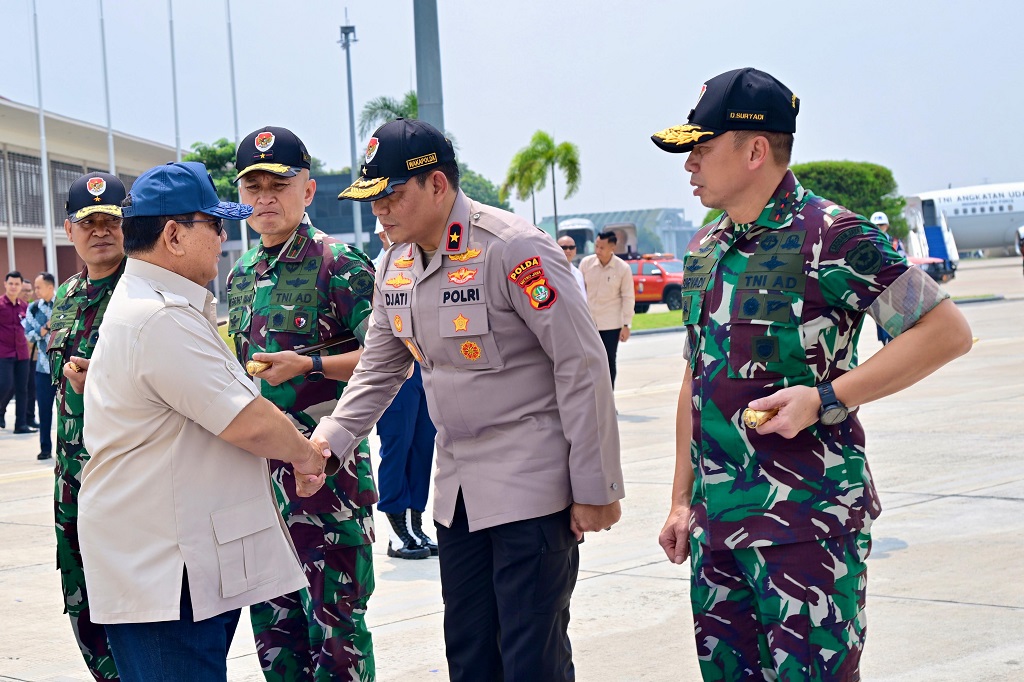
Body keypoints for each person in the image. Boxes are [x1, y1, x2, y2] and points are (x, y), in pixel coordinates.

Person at [652, 67, 973, 681]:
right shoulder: (706, 249)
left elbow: (944, 331)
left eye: (703, 145)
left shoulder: (832, 235)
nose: (689, 162)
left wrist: (828, 398)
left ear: (753, 150)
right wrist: (679, 501)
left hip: (808, 524)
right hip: (718, 533)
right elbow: (695, 380)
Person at [314, 117, 624, 680]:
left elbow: (580, 365)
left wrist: (595, 485)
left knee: (532, 658)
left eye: (392, 195)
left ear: (437, 185)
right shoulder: (395, 265)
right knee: (470, 652)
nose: (379, 210)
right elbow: (381, 366)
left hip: (532, 489)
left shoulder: (513, 250)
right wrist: (330, 440)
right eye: (372, 198)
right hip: (456, 495)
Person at [79, 161, 328, 682]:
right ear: (173, 234)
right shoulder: (159, 315)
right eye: (214, 225)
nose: (223, 236)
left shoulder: (155, 305)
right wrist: (307, 455)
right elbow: (248, 420)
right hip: (165, 578)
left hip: (171, 565)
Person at [226, 126, 378, 680]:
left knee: (336, 638)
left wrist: (310, 365)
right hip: (261, 489)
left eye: (278, 184)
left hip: (328, 483)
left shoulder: (340, 263)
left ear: (308, 191)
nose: (265, 197)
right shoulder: (240, 274)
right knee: (275, 640)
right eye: (253, 186)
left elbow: (388, 357)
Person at [46, 171, 126, 680]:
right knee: (80, 595)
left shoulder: (142, 290)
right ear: (69, 230)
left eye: (110, 221)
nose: (100, 231)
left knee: (127, 598)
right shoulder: (67, 295)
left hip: (122, 478)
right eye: (88, 222)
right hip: (71, 478)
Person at [372, 218, 437, 560]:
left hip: (425, 369)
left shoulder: (426, 263)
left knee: (422, 446)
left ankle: (416, 525)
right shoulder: (377, 269)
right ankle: (398, 533)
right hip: (395, 371)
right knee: (396, 448)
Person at [579, 231, 634, 387]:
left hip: (610, 325)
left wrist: (626, 325)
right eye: (596, 246)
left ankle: (608, 401)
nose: (598, 251)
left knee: (609, 361)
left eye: (602, 247)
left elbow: (628, 297)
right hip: (588, 324)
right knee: (588, 362)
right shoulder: (586, 264)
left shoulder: (623, 268)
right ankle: (593, 401)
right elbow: (578, 292)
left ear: (613, 247)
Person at [22, 272, 56, 460]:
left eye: (38, 287)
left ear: (50, 287)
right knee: (43, 411)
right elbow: (29, 335)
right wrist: (46, 327)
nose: (35, 291)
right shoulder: (34, 308)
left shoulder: (64, 303)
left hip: (65, 367)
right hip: (42, 368)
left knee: (70, 412)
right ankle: (45, 448)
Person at [0, 271, 34, 434]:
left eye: (17, 284)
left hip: (22, 354)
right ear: (5, 284)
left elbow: (28, 328)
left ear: (20, 286)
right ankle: (0, 411)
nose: (13, 287)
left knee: (22, 389)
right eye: (11, 283)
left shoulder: (25, 307)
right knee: (6, 384)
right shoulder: (0, 305)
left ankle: (20, 425)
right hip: (3, 353)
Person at [869, 212, 905, 345]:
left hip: (895, 285)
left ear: (887, 226)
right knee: (882, 316)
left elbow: (903, 261)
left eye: (882, 225)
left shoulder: (895, 243)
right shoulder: (868, 242)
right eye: (876, 225)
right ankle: (887, 343)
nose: (879, 227)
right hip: (878, 287)